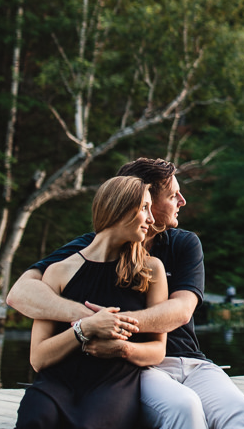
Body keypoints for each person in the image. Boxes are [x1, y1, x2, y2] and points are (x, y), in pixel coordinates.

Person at [8, 158, 244, 429]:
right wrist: (88, 321)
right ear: (138, 195)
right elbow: (20, 293)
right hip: (139, 369)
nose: (182, 201)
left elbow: (182, 311)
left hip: (187, 359)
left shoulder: (180, 245)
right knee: (183, 407)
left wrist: (113, 324)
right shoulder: (84, 249)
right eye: (173, 195)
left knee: (238, 408)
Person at [16, 175, 168, 429]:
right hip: (56, 384)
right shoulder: (58, 271)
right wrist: (84, 329)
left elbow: (158, 350)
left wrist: (122, 349)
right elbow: (38, 358)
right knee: (35, 418)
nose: (151, 219)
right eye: (144, 208)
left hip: (113, 384)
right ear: (118, 208)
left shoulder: (150, 270)